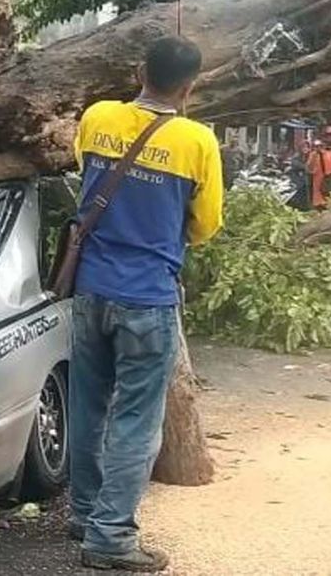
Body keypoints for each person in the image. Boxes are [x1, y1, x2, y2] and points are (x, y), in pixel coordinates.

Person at [69, 36, 223, 573]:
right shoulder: (197, 140)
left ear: (139, 71)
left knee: (88, 407)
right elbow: (205, 226)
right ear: (189, 86)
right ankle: (110, 538)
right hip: (148, 298)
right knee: (135, 421)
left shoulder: (97, 117)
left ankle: (84, 513)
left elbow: (83, 172)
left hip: (89, 290)